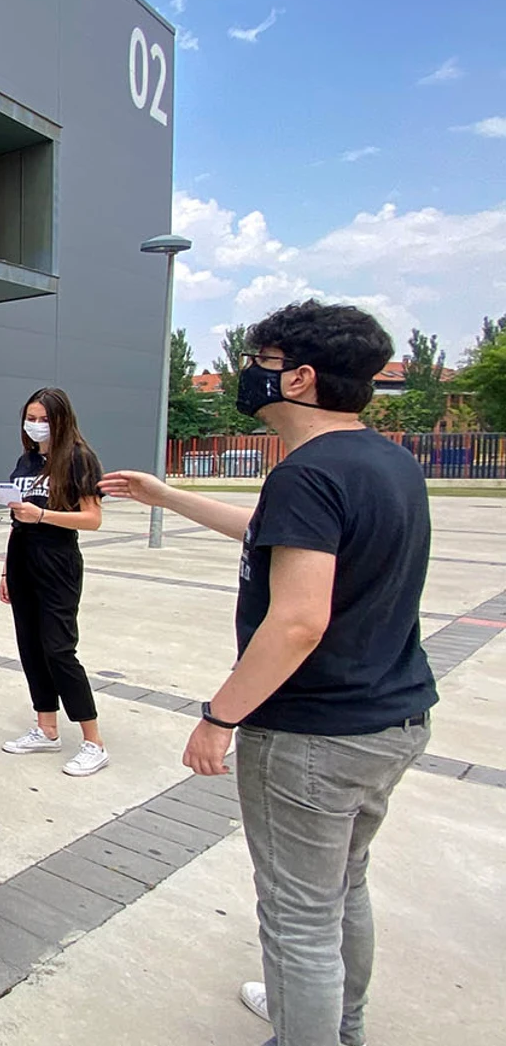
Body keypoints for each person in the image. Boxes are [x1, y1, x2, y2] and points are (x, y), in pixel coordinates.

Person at [104, 301, 434, 1046]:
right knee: (343, 887)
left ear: (304, 377)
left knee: (297, 919)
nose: (251, 374)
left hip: (314, 737)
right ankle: (339, 1027)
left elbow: (298, 621)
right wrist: (167, 495)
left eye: (264, 360)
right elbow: (275, 533)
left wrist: (220, 714)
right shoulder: (386, 462)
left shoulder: (309, 474)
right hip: (392, 720)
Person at [0, 388, 108, 776]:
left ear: (61, 420)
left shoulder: (78, 458)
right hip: (22, 557)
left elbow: (92, 518)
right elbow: (18, 518)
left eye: (44, 419)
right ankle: (46, 728)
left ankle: (93, 741)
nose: (36, 425)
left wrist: (43, 516)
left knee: (59, 649)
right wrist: (6, 570)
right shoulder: (27, 460)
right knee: (30, 646)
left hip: (57, 560)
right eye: (31, 418)